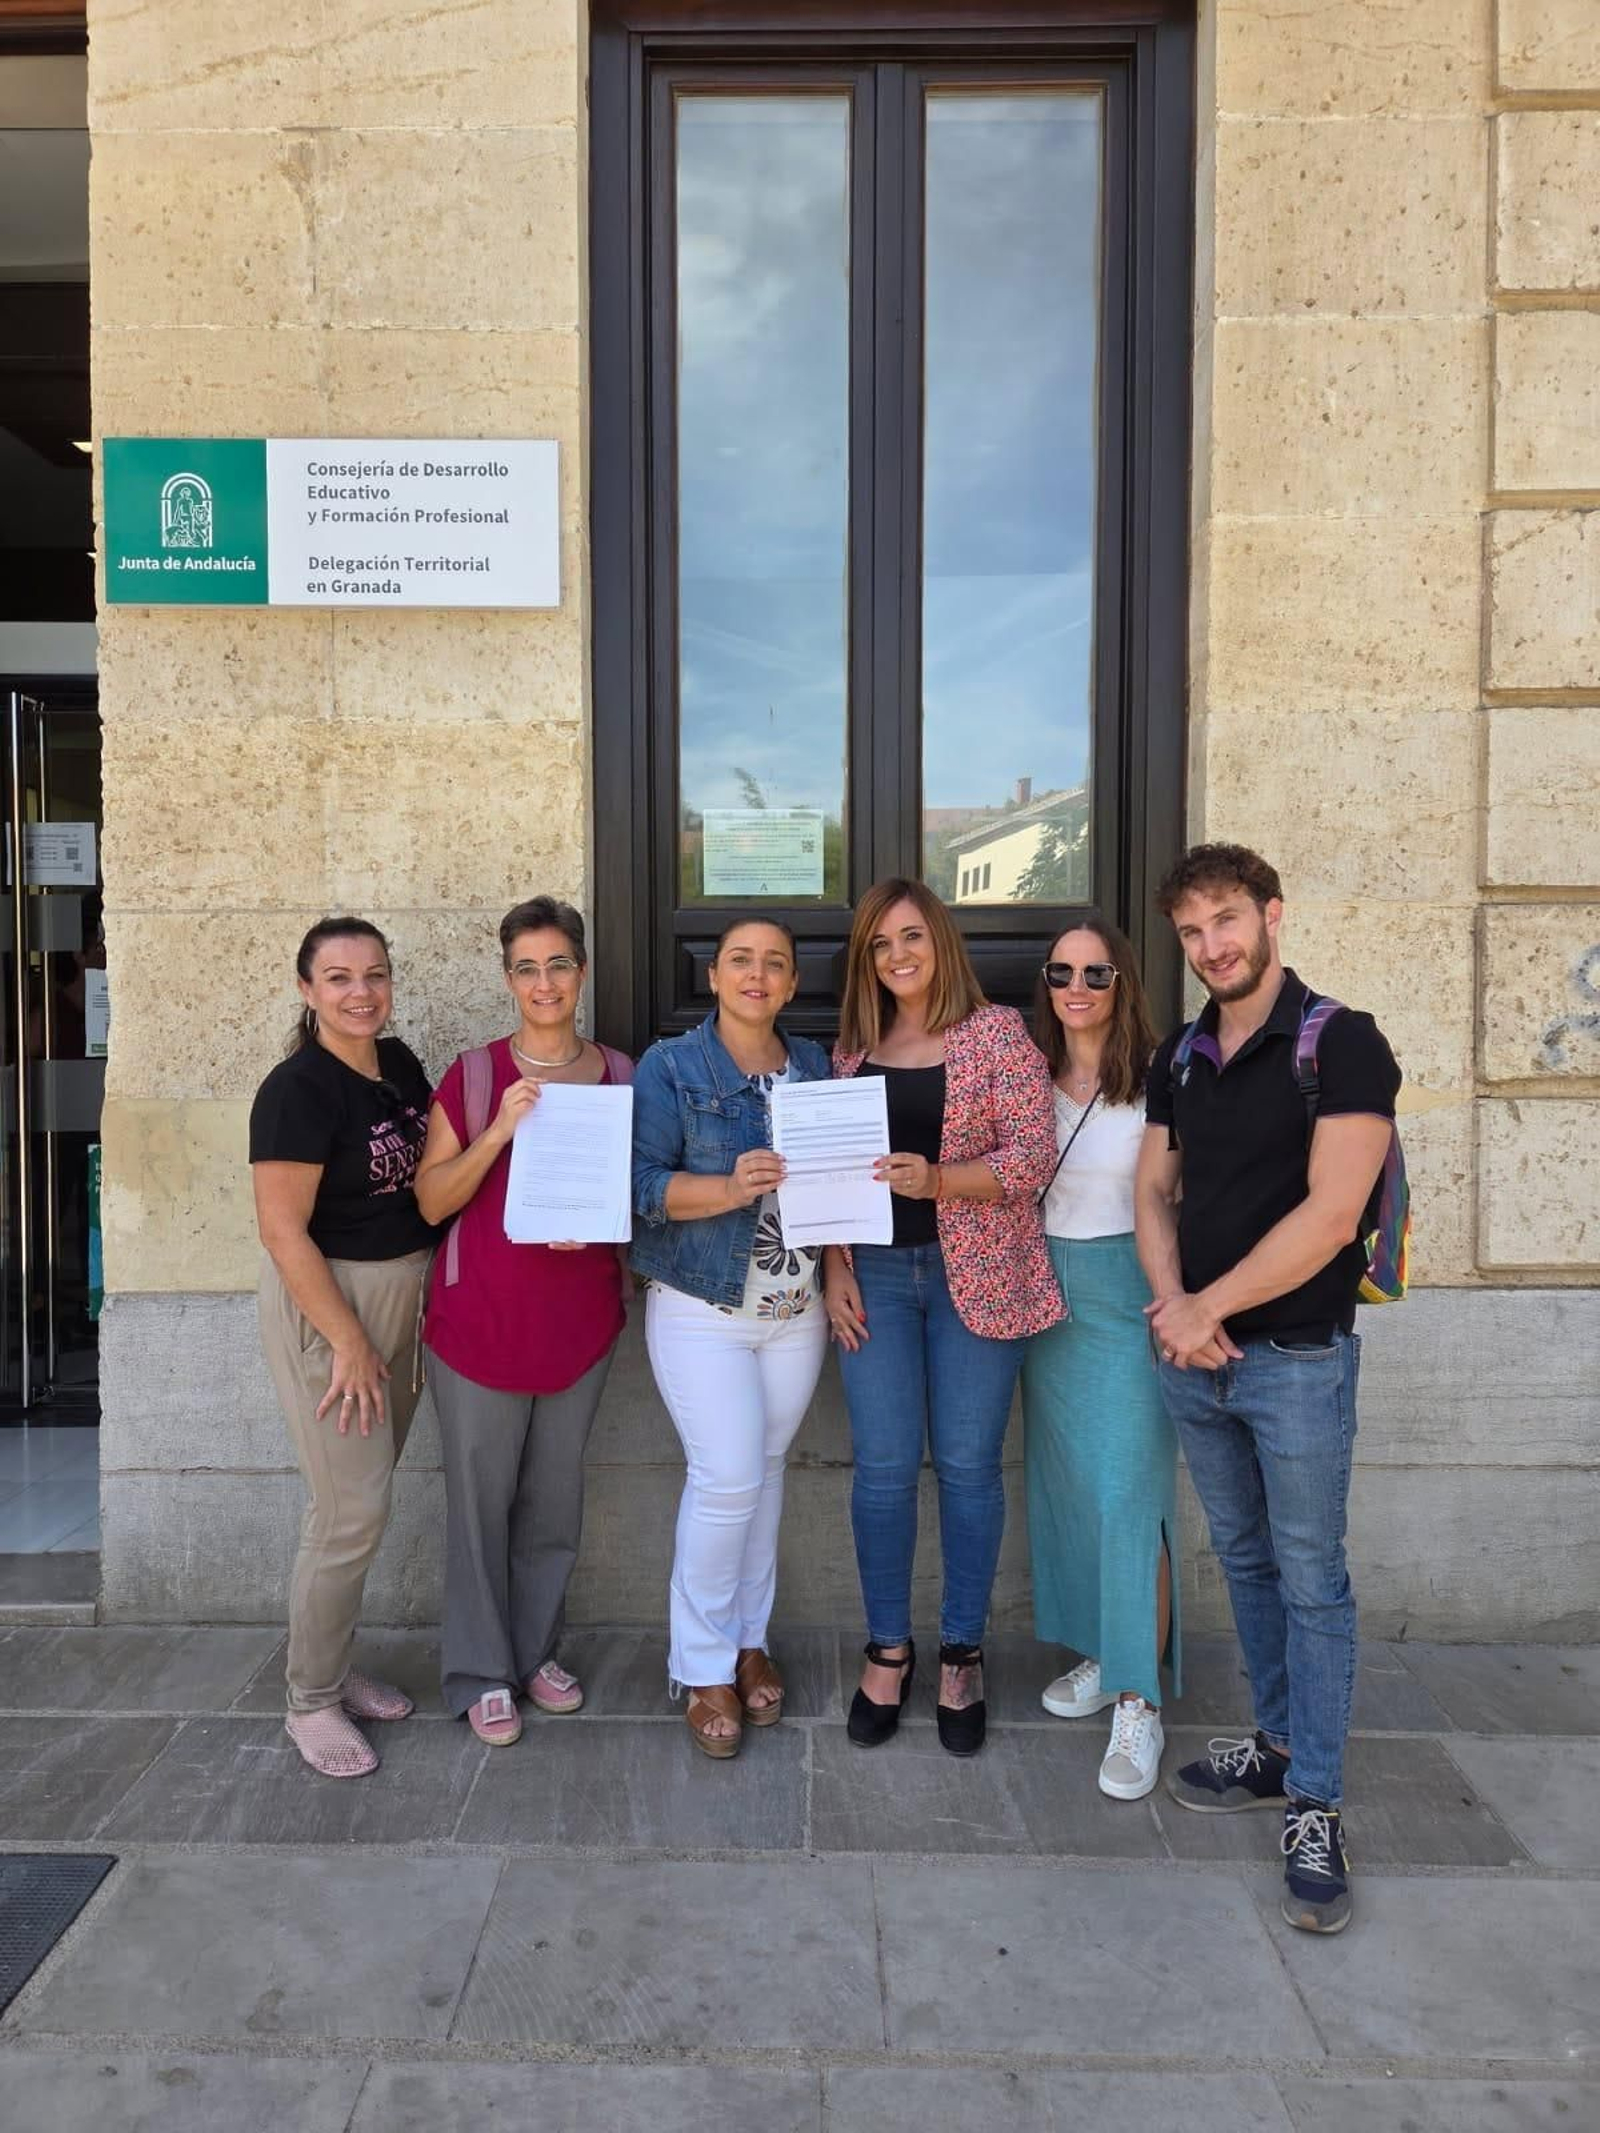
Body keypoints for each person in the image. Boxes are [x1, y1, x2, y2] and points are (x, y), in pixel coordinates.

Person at [1135, 843, 1399, 1936]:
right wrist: (1171, 1307)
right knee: (1242, 1559)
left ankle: (1316, 1804)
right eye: (1192, 931)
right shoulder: (1178, 1053)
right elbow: (1152, 1188)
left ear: (1272, 916)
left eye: (1227, 920)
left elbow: (1334, 1215)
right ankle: (1278, 1740)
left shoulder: (1342, 1042)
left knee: (1310, 1577)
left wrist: (1211, 1309)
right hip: (1198, 1363)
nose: (1212, 945)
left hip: (1292, 1361)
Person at [825, 879, 1060, 1758]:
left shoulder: (996, 1032)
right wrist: (832, 1266)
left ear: (941, 941)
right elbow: (826, 1174)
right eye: (881, 945)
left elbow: (1032, 1157)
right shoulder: (851, 1048)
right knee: (881, 1470)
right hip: (875, 1276)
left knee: (967, 1468)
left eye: (912, 937)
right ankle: (888, 1649)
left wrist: (940, 1179)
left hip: (982, 1275)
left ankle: (962, 1651)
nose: (898, 956)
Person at [414, 898, 631, 1746]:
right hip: (480, 1322)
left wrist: (608, 1222)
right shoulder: (473, 1076)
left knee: (552, 1502)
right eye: (527, 967)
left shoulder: (621, 1072)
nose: (546, 982)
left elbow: (640, 1192)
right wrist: (500, 1128)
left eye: (560, 964)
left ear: (582, 972)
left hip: (579, 1323)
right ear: (509, 978)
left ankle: (535, 1651)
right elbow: (432, 1198)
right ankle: (478, 1672)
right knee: (478, 1506)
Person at [631, 919, 831, 1758]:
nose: (758, 975)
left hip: (796, 1312)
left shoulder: (815, 1065)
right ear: (714, 976)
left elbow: (839, 1183)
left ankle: (750, 1641)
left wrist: (844, 1269)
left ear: (790, 984)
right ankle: (703, 1663)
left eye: (774, 964)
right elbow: (638, 1187)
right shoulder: (670, 1066)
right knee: (727, 1478)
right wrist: (723, 1187)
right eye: (741, 961)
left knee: (767, 1477)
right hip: (701, 1310)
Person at [249, 918, 437, 1779]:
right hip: (334, 1306)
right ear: (306, 989)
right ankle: (310, 1699)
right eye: (337, 977)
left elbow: (433, 1175)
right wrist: (350, 1341)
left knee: (363, 1501)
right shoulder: (297, 1089)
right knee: (348, 1512)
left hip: (402, 1294)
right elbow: (284, 1233)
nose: (360, 991)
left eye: (374, 974)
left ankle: (334, 1661)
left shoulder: (396, 1065)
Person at [1021, 915, 1180, 1801]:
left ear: (1123, 981)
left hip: (1130, 1291)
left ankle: (1140, 1697)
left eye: (1097, 971)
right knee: (1070, 1486)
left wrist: (1180, 1301)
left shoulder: (1164, 1076)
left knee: (1131, 1495)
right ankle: (1102, 1649)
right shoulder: (1027, 1076)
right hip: (1046, 1294)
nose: (1077, 986)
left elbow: (1184, 1194)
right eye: (1061, 971)